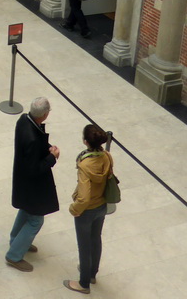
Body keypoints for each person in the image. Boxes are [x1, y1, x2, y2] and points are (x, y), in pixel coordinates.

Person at [5, 96, 60, 272]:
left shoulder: (23, 120)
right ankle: (14, 255)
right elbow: (35, 168)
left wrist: (47, 148)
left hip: (23, 181)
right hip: (32, 184)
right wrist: (52, 157)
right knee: (36, 220)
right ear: (44, 115)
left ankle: (17, 240)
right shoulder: (33, 139)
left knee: (26, 210)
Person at [64, 124, 113, 294]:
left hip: (86, 210)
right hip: (102, 206)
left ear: (85, 142)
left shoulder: (85, 165)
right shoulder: (107, 156)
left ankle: (84, 283)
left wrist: (74, 208)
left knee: (84, 246)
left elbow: (84, 197)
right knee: (95, 239)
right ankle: (92, 273)